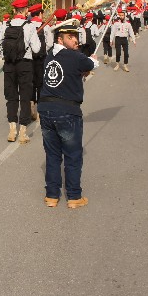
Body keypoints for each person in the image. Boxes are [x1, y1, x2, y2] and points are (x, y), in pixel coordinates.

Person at [39, 19, 99, 209]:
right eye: (70, 37)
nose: (75, 41)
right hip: (67, 112)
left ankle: (52, 195)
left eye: (76, 37)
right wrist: (93, 61)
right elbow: (92, 64)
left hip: (47, 110)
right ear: (60, 39)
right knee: (73, 156)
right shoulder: (75, 57)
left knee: (53, 155)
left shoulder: (49, 56)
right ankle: (74, 196)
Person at [0, 0, 41, 143]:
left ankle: (12, 130)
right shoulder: (30, 26)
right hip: (25, 65)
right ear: (26, 10)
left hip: (9, 65)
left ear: (14, 10)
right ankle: (23, 132)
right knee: (25, 97)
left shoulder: (4, 25)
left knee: (11, 97)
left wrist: (6, 54)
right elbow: (37, 48)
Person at [28, 3, 47, 122]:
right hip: (41, 58)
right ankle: (39, 112)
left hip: (29, 59)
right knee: (40, 84)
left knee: (31, 83)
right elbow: (49, 43)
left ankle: (31, 107)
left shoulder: (27, 25)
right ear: (40, 13)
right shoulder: (45, 26)